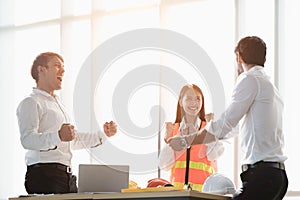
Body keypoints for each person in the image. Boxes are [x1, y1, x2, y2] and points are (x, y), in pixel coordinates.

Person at [168, 36, 288, 199]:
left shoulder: (249, 79)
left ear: (239, 57)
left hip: (262, 175)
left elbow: (225, 124)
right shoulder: (270, 87)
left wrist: (186, 140)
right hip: (276, 175)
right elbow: (235, 128)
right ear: (264, 58)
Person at [16, 52, 117, 194]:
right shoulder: (31, 102)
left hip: (65, 176)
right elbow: (27, 140)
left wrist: (103, 134)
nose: (63, 71)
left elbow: (71, 141)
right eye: (57, 66)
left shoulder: (59, 105)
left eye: (63, 67)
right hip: (44, 175)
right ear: (41, 70)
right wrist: (58, 135)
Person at [158, 84, 224, 192]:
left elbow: (214, 155)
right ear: (180, 102)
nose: (194, 103)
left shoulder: (208, 128)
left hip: (203, 194)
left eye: (198, 99)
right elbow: (164, 165)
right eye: (188, 99)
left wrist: (207, 130)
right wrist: (173, 138)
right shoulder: (174, 130)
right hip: (178, 195)